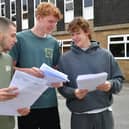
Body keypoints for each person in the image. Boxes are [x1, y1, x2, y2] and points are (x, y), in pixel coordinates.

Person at [58, 17, 124, 129]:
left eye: (78, 33)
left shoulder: (105, 55)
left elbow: (119, 80)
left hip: (104, 115)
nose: (74, 37)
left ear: (87, 32)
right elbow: (62, 87)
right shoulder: (65, 59)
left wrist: (110, 85)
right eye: (72, 34)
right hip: (80, 118)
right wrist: (74, 93)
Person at [9, 2, 63, 129]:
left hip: (49, 103)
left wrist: (58, 80)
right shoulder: (19, 39)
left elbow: (55, 68)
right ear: (38, 18)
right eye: (50, 21)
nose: (53, 25)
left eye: (55, 22)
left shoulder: (54, 43)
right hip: (27, 104)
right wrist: (27, 71)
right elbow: (8, 69)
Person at [0, 17, 30, 129]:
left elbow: (11, 90)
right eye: (12, 35)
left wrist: (21, 105)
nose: (16, 40)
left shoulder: (8, 59)